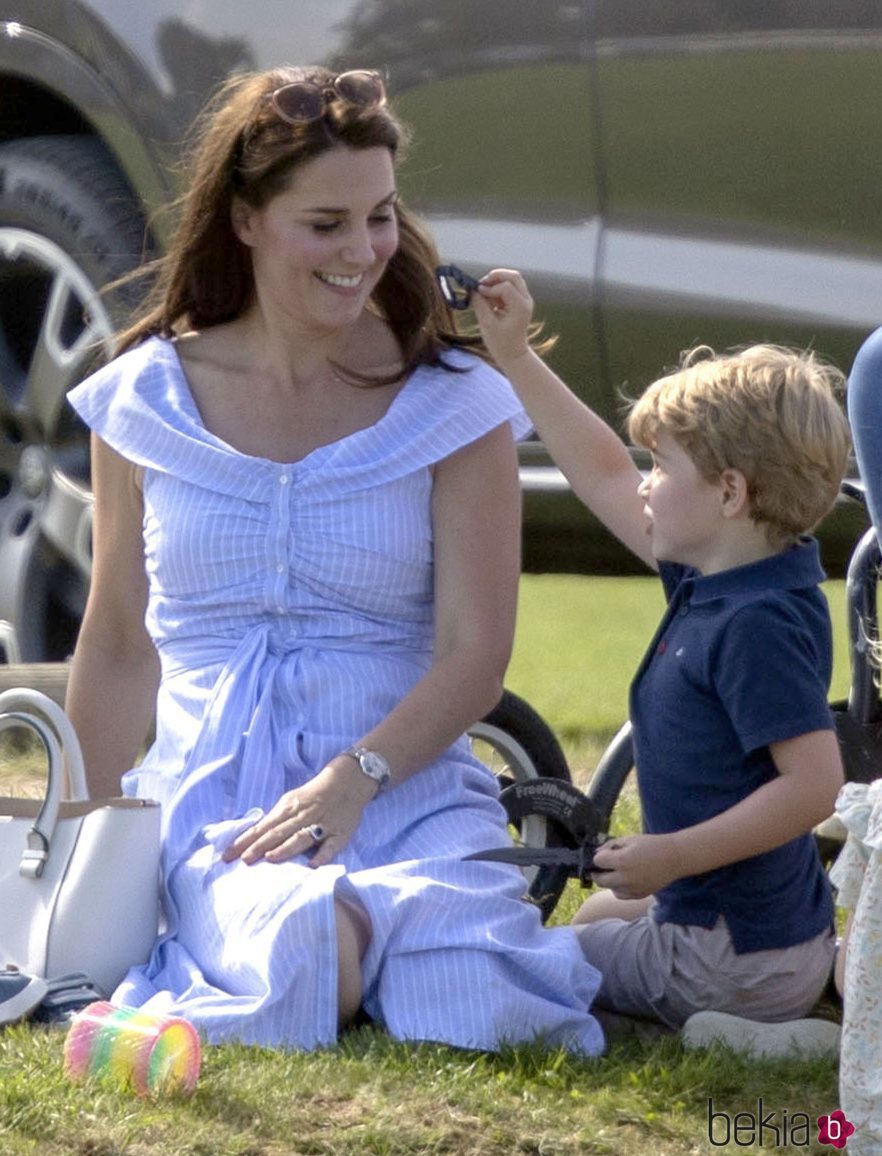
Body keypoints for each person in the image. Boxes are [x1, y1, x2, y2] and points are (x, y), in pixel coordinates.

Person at [63, 68, 604, 1054]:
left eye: (381, 217)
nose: (363, 252)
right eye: (326, 224)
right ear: (245, 221)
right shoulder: (141, 398)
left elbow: (475, 653)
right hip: (223, 804)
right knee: (310, 942)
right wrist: (86, 838)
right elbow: (116, 641)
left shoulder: (454, 403)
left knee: (486, 1001)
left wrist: (356, 779)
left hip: (407, 788)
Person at [472, 268, 849, 1040]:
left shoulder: (756, 624)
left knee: (533, 962)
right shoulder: (732, 575)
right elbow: (603, 472)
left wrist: (673, 855)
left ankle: (738, 1029)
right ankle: (746, 1014)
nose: (643, 484)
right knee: (609, 908)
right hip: (757, 933)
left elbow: (814, 787)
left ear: (730, 493)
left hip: (737, 956)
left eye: (663, 467)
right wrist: (515, 357)